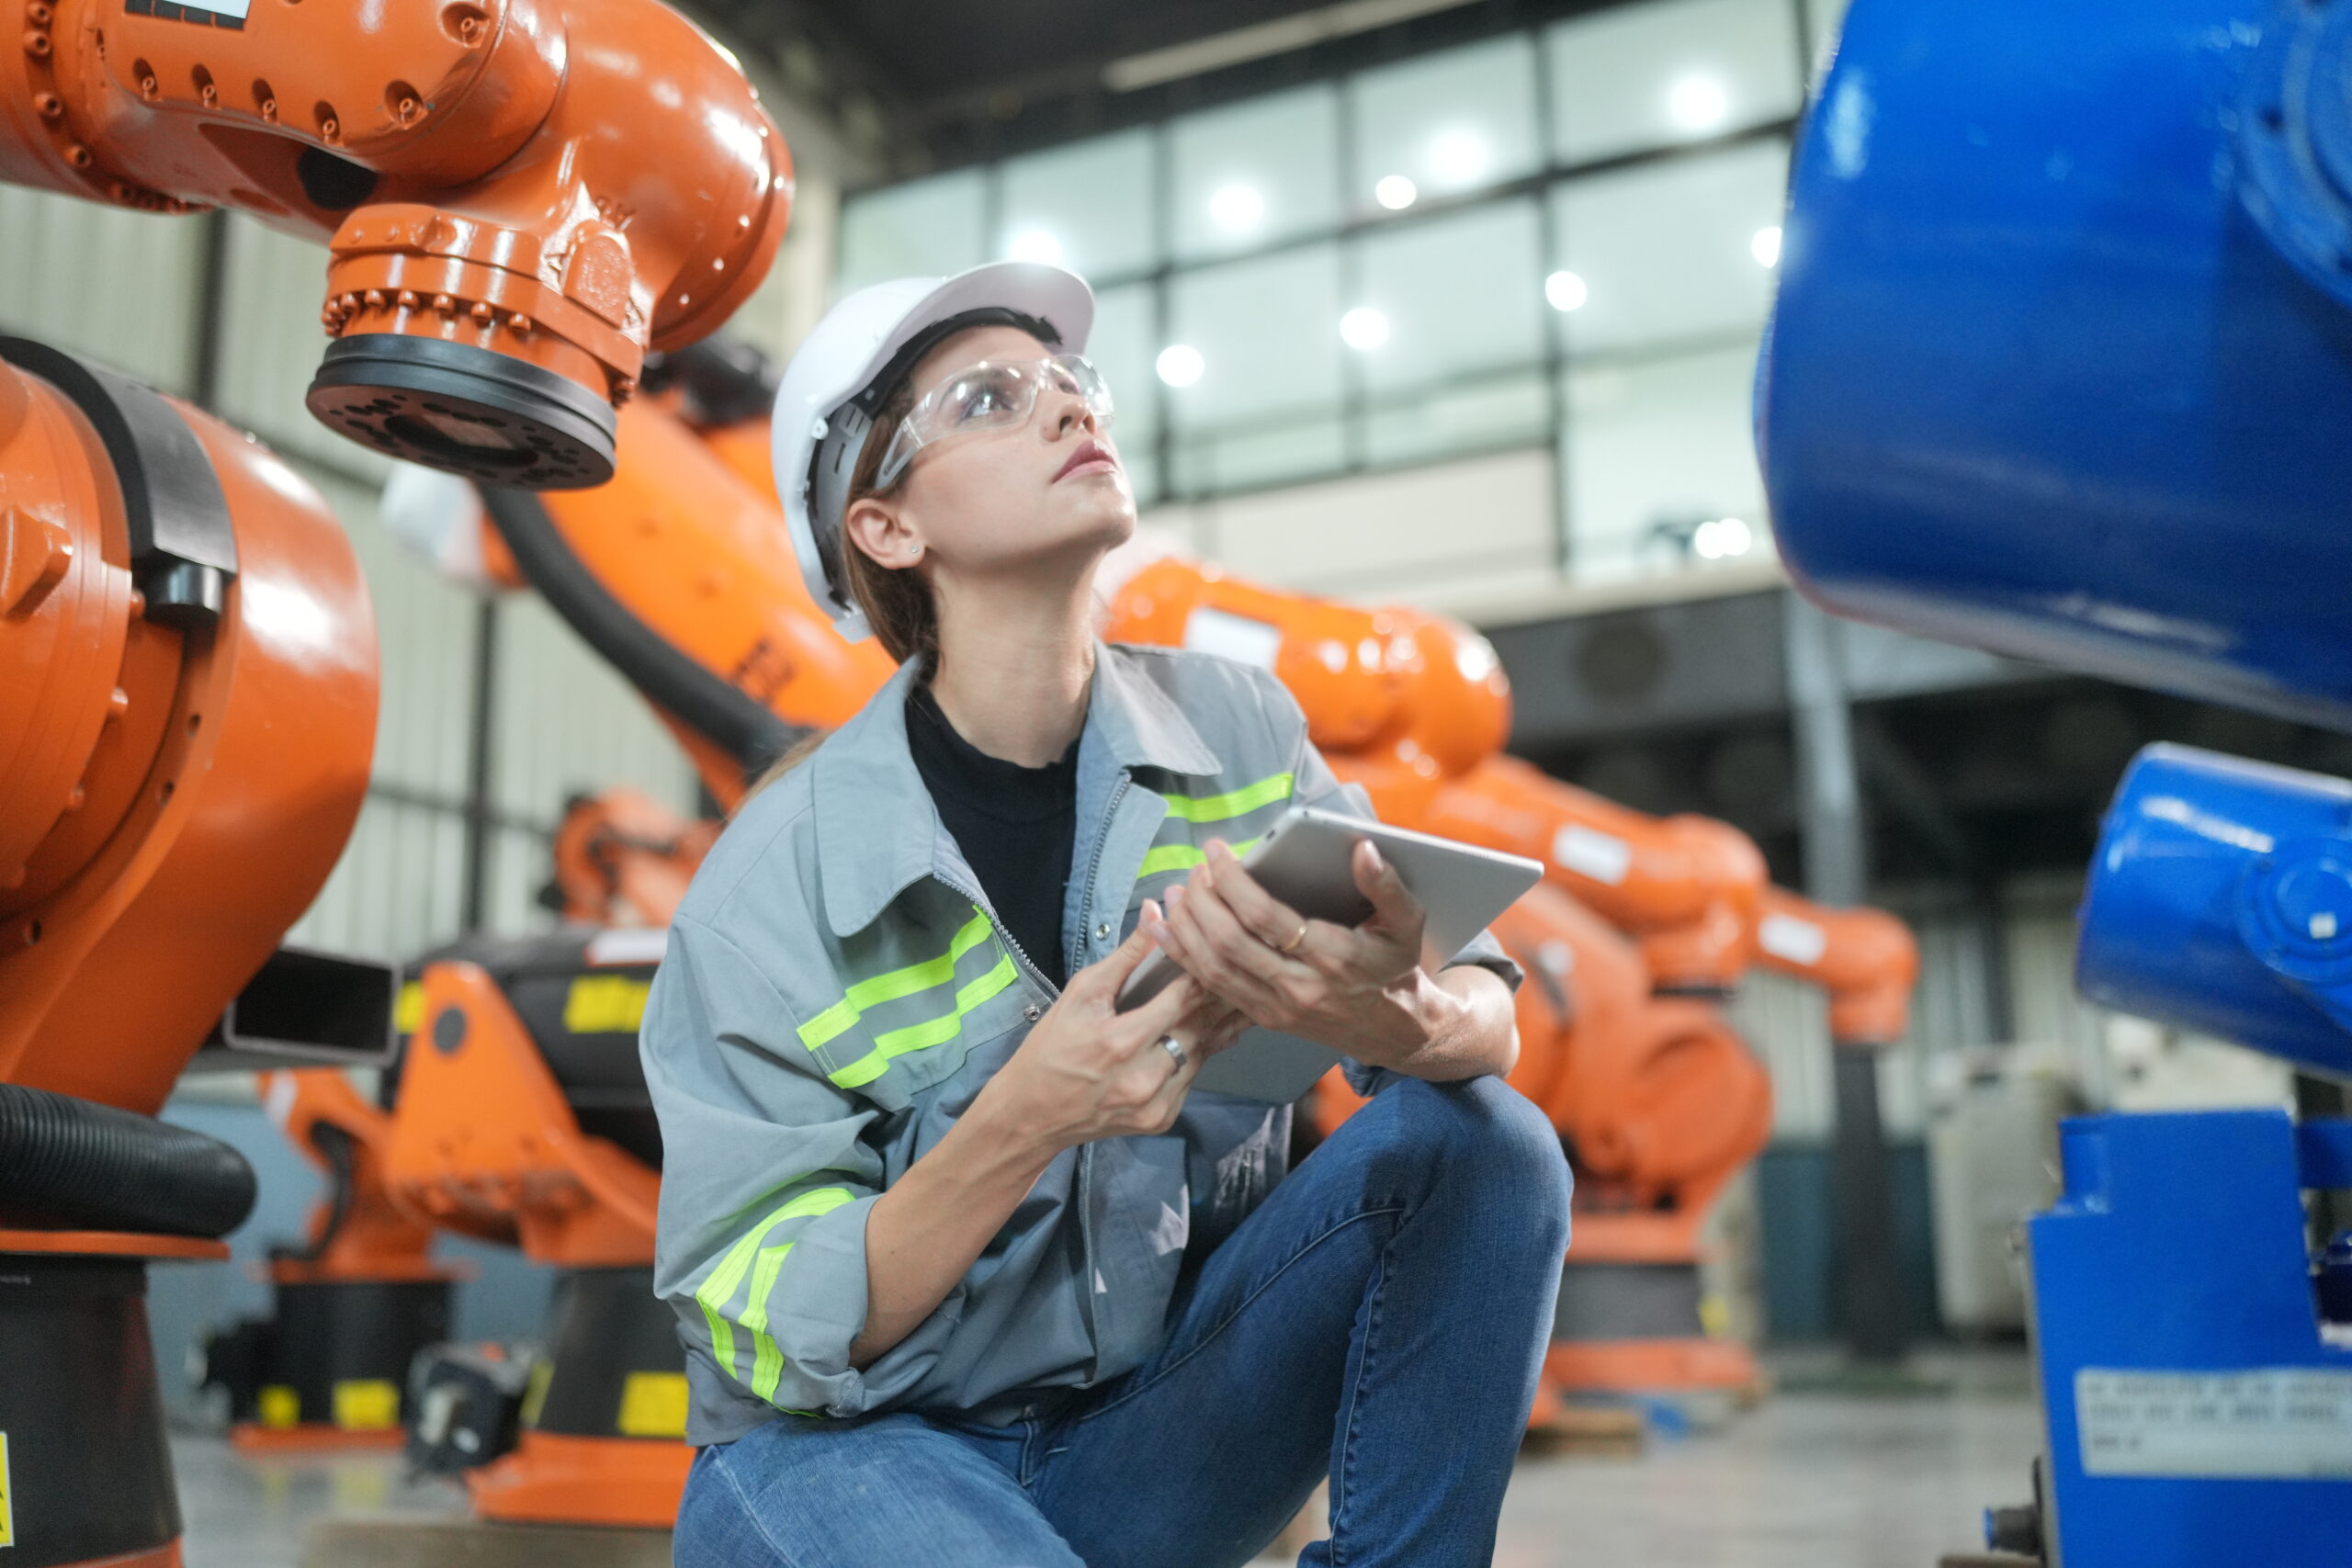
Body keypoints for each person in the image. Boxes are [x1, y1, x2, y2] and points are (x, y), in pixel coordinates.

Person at [641, 260, 1572, 1568]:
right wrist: (1028, 1113)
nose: (1071, 410)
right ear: (887, 528)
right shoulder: (769, 887)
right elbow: (760, 1337)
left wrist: (1407, 1014)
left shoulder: (1242, 736)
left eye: (1073, 383)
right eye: (989, 398)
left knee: (1487, 1143)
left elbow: (1486, 1003)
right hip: (853, 1457)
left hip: (1149, 1434)